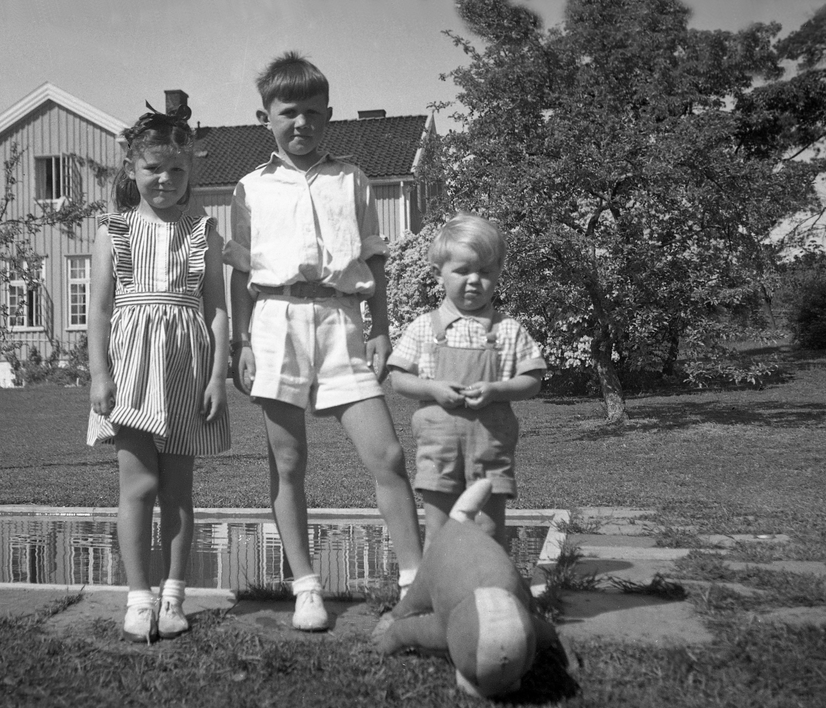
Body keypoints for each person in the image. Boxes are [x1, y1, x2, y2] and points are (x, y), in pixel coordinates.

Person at [223, 51, 423, 631]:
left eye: (313, 113)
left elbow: (373, 262)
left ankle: (416, 583)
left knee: (386, 455)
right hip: (275, 322)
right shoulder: (249, 187)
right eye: (288, 113)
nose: (301, 124)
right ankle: (305, 585)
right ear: (266, 118)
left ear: (329, 115)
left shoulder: (352, 178)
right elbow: (241, 273)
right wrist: (242, 342)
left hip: (341, 322)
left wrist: (382, 329)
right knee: (288, 461)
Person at [87, 110, 230, 643]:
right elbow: (99, 311)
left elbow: (217, 308)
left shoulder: (202, 231)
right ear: (132, 167)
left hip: (186, 368)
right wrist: (99, 375)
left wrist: (217, 375)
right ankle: (138, 599)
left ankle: (173, 598)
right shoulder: (114, 231)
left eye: (175, 169)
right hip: (130, 367)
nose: (164, 179)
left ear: (189, 169)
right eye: (153, 169)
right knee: (138, 486)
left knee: (178, 491)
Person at [387, 213, 546, 548]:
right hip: (440, 450)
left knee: (488, 531)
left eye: (485, 272)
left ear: (499, 272)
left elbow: (532, 379)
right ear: (438, 273)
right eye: (462, 271)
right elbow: (398, 379)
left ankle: (491, 593)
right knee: (440, 531)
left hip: (489, 447)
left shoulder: (507, 330)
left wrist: (496, 390)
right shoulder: (424, 328)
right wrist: (432, 388)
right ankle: (439, 597)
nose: (474, 281)